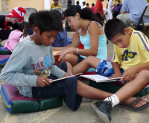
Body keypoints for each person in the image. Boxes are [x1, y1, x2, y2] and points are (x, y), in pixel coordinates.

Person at [0, 11, 141, 118]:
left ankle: (79, 87)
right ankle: (119, 99)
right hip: (33, 87)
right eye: (49, 36)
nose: (52, 41)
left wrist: (64, 74)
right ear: (36, 31)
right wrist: (35, 80)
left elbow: (50, 66)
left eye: (55, 37)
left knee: (66, 70)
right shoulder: (24, 48)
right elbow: (6, 75)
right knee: (72, 82)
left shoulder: (45, 43)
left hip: (45, 76)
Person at [71, 18, 149, 122]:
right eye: (115, 43)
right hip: (122, 73)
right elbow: (115, 61)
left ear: (127, 31)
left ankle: (108, 102)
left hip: (137, 74)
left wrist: (135, 69)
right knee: (90, 59)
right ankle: (64, 76)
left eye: (120, 41)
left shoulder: (138, 36)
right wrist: (117, 73)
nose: (119, 45)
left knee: (146, 74)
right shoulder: (118, 42)